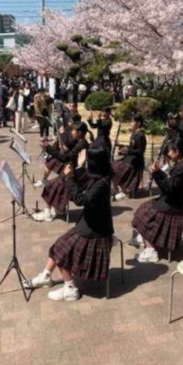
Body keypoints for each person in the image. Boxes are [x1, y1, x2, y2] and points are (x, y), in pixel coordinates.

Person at [24, 146, 114, 302]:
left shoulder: (101, 184)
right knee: (57, 246)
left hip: (96, 233)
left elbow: (80, 200)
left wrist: (69, 178)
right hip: (89, 225)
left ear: (94, 163)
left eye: (88, 162)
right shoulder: (101, 176)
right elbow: (86, 181)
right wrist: (78, 167)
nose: (86, 165)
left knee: (60, 251)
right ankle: (46, 276)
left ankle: (70, 288)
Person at [131, 139, 183, 262]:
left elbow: (168, 189)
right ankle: (146, 238)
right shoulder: (180, 164)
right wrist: (158, 172)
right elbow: (171, 184)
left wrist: (155, 173)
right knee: (145, 207)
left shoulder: (180, 169)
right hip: (174, 200)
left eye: (169, 151)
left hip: (177, 205)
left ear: (177, 151)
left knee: (148, 214)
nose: (167, 154)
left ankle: (151, 250)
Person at [33, 122, 89, 222]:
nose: (72, 132)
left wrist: (48, 148)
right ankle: (57, 209)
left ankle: (48, 213)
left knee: (50, 185)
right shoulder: (81, 142)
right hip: (72, 172)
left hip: (74, 177)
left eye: (73, 130)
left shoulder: (81, 145)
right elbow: (68, 156)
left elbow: (64, 158)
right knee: (53, 182)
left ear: (79, 132)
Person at [112, 114, 147, 200]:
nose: (130, 123)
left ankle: (126, 191)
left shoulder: (141, 136)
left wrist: (127, 151)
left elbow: (140, 151)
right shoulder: (134, 133)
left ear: (138, 123)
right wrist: (122, 146)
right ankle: (122, 189)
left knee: (118, 167)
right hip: (130, 158)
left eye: (132, 121)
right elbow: (132, 147)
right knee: (113, 166)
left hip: (136, 162)